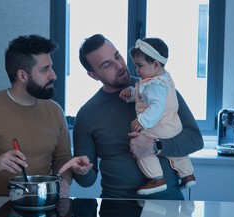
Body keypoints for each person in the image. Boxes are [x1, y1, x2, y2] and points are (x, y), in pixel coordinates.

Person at [0, 34, 92, 197]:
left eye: (50, 67)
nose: (53, 75)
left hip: (43, 207)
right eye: (45, 69)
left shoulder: (55, 111)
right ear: (22, 76)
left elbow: (62, 160)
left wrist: (64, 182)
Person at [73, 34, 203, 200]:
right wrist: (82, 171)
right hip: (117, 208)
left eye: (117, 56)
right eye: (107, 65)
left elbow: (195, 139)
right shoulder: (86, 115)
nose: (119, 65)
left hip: (169, 201)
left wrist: (155, 146)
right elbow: (87, 181)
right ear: (93, 75)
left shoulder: (158, 88)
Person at [119, 37, 196, 195]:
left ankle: (156, 178)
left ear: (155, 64)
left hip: (160, 126)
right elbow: (144, 96)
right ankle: (187, 175)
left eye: (140, 66)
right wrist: (131, 93)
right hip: (173, 126)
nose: (136, 71)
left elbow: (156, 106)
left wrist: (142, 121)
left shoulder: (155, 86)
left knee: (140, 143)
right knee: (176, 154)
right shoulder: (161, 80)